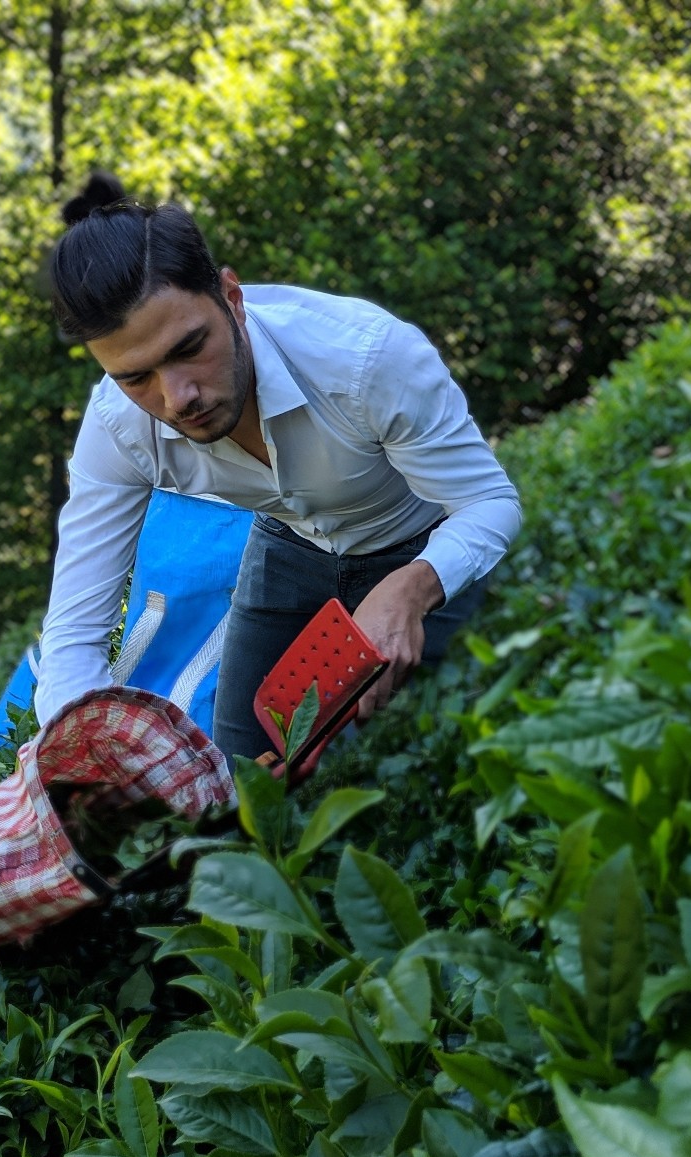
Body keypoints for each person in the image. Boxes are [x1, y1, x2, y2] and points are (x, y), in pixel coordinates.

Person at [34, 182, 522, 765]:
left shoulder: (367, 359)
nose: (178, 396)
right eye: (136, 377)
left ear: (232, 297)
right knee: (245, 768)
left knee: (435, 746)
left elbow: (490, 501)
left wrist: (410, 589)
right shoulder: (117, 427)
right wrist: (83, 754)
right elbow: (75, 634)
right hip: (287, 547)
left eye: (190, 347)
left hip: (421, 539)